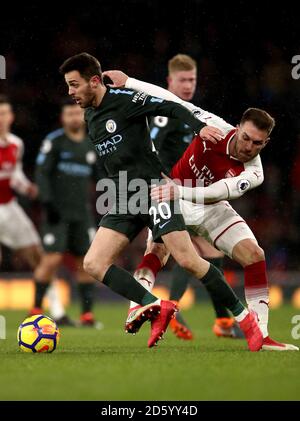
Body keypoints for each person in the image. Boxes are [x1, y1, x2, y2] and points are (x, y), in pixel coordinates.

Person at [58, 52, 263, 351]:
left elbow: (170, 105)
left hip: (155, 189)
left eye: (74, 85)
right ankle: (155, 305)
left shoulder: (125, 101)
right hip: (124, 193)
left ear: (93, 81)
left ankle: (247, 322)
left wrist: (197, 127)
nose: (70, 92)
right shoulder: (90, 113)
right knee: (93, 262)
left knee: (189, 260)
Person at [103, 72, 298, 351]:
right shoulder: (214, 126)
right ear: (237, 127)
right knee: (156, 252)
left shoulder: (255, 172)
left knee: (255, 255)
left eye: (257, 143)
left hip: (208, 206)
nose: (248, 147)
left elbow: (217, 193)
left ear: (265, 143)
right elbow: (170, 98)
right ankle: (137, 308)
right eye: (246, 138)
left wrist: (177, 190)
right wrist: (130, 82)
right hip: (175, 198)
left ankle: (262, 335)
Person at [115, 54, 241, 341]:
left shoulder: (189, 112)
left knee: (195, 253)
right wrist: (162, 181)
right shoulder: (165, 114)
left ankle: (219, 319)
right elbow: (153, 148)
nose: (188, 85)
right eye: (182, 80)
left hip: (186, 192)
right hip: (169, 193)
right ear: (169, 81)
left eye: (192, 80)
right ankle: (182, 309)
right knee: (180, 253)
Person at [30, 98, 102, 328]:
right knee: (51, 259)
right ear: (63, 118)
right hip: (57, 213)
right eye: (69, 113)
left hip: (82, 214)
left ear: (82, 116)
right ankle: (35, 310)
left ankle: (87, 315)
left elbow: (99, 177)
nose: (73, 117)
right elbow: (41, 174)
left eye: (76, 113)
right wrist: (48, 204)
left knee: (85, 262)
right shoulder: (55, 142)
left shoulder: (91, 144)